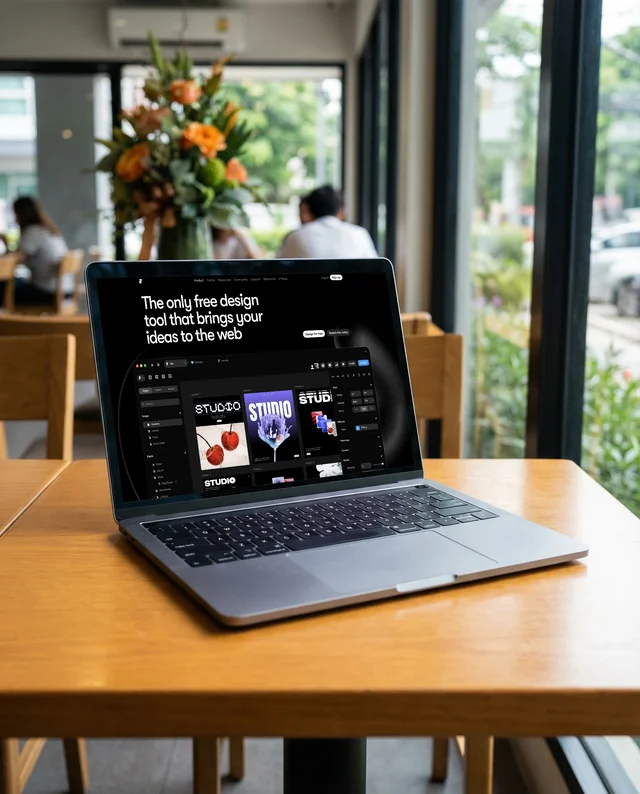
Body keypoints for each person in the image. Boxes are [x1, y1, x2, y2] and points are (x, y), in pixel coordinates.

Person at [277, 185, 378, 259]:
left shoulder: (297, 236)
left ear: (308, 210)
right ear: (340, 210)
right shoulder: (359, 234)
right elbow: (375, 270)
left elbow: (277, 269)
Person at [0, 197, 68, 305]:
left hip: (47, 292)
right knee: (15, 282)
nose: (15, 219)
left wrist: (7, 245)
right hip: (64, 290)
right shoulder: (48, 230)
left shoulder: (32, 232)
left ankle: (7, 322)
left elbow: (15, 261)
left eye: (15, 214)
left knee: (4, 286)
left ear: (21, 214)